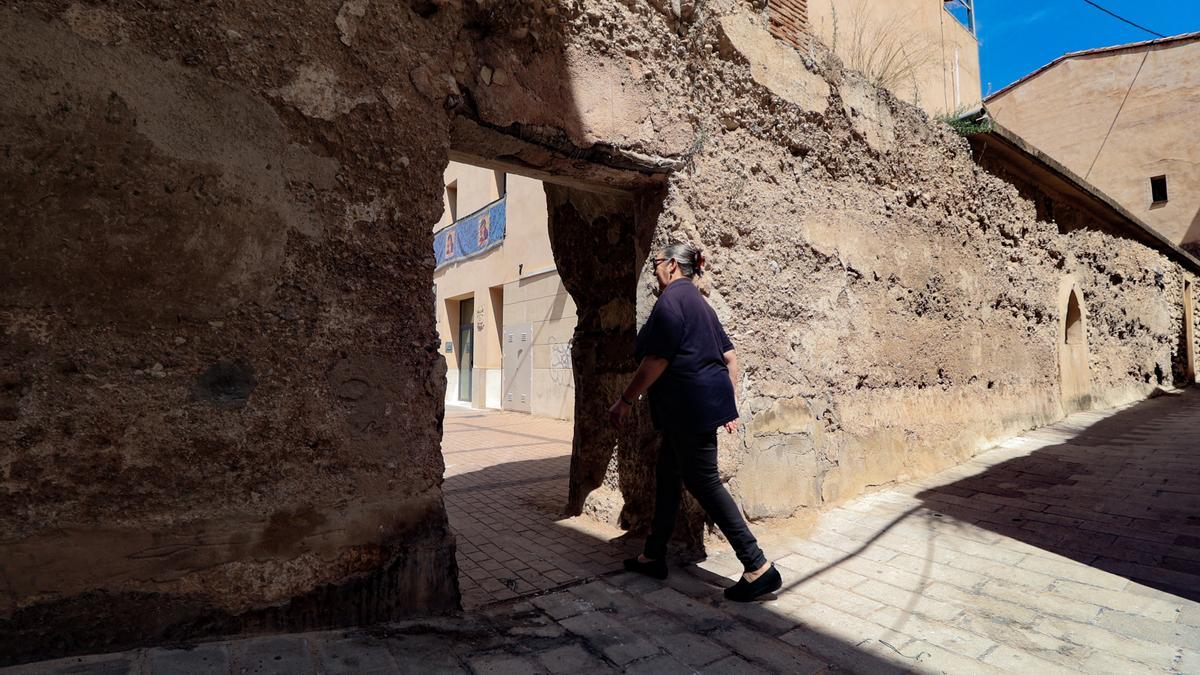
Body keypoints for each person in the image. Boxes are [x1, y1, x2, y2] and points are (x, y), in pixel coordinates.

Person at [608, 243, 781, 602]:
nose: (654, 271)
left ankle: (758, 566)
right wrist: (726, 406)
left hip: (688, 409)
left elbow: (655, 361)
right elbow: (730, 358)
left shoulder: (672, 301)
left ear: (672, 265)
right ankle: (653, 555)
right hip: (694, 409)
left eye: (656, 264)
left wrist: (624, 401)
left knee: (704, 482)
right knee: (668, 476)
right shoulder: (702, 304)